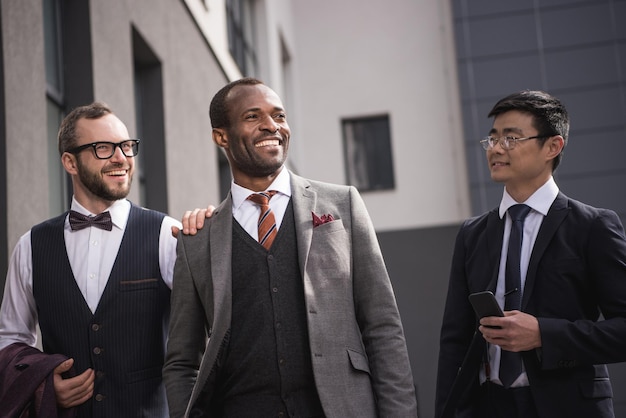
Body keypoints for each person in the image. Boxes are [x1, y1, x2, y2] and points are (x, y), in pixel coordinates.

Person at [163, 77, 418, 418]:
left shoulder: (343, 204)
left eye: (279, 116)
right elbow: (181, 361)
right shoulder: (198, 239)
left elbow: (382, 327)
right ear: (221, 136)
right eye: (253, 117)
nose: (272, 126)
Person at [435, 90, 626, 418]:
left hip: (569, 407)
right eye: (492, 138)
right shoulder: (472, 234)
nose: (495, 148)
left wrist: (543, 334)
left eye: (511, 138)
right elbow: (455, 342)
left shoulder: (593, 226)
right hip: (488, 407)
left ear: (553, 146)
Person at [0, 102, 180, 417]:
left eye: (126, 146)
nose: (121, 158)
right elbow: (11, 340)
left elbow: (208, 327)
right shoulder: (30, 246)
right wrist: (41, 384)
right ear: (70, 161)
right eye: (103, 148)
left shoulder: (167, 233)